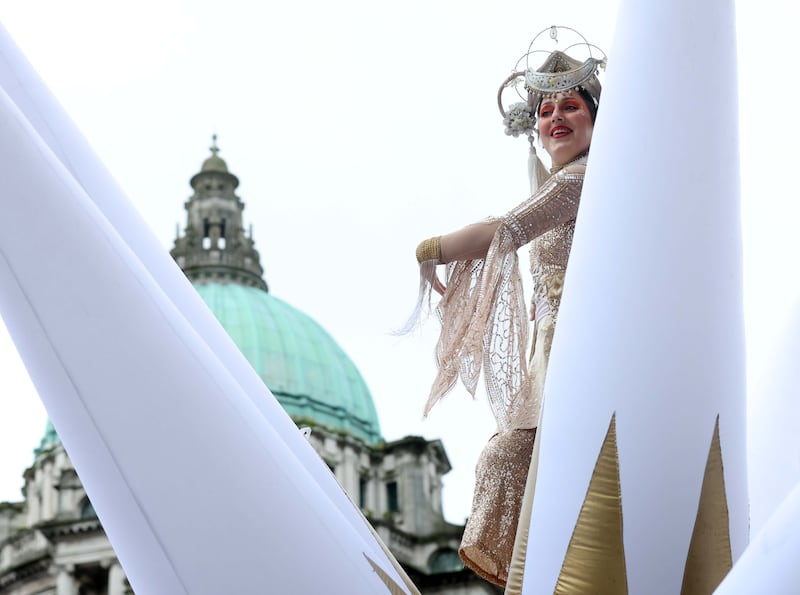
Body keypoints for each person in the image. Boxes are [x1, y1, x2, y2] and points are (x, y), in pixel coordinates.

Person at [412, 28, 605, 587]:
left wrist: (433, 250)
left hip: (578, 350)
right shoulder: (563, 180)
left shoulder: (582, 178)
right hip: (553, 351)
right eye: (546, 110)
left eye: (571, 105)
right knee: (512, 463)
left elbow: (507, 229)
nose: (556, 118)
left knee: (514, 464)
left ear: (595, 118)